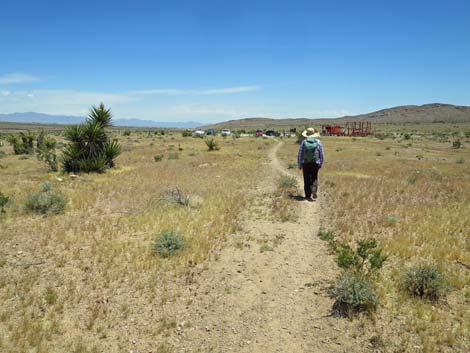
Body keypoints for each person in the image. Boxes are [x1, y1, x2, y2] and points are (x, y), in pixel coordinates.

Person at [297, 127, 324, 201]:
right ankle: (314, 191)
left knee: (306, 179)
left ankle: (307, 195)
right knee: (314, 177)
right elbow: (321, 154)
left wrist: (299, 164)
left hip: (305, 163)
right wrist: (321, 163)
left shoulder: (303, 142)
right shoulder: (318, 142)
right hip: (315, 163)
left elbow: (300, 154)